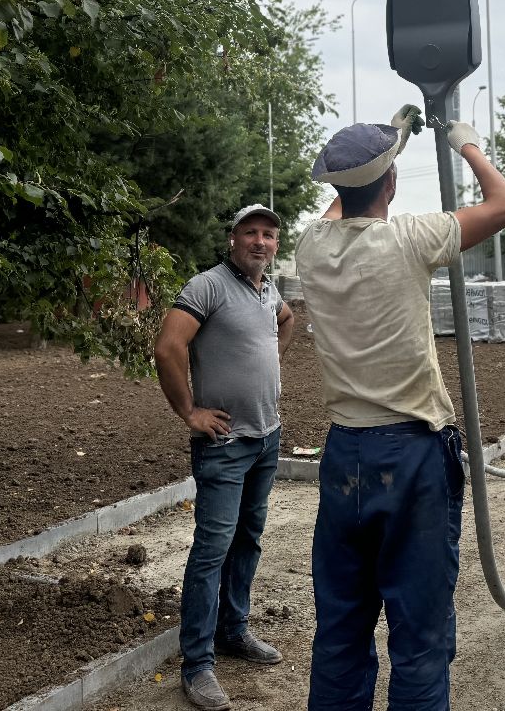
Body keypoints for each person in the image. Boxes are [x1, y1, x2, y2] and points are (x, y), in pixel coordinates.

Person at [295, 105, 505, 711]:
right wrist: (467, 146)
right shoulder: (409, 239)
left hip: (344, 454)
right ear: (392, 186)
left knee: (341, 628)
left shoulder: (311, 248)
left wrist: (386, 140)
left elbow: (336, 209)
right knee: (419, 640)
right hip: (412, 453)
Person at [154, 203, 296, 711]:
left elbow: (287, 320)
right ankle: (197, 666)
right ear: (232, 238)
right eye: (250, 232)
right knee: (211, 550)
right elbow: (168, 348)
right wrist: (189, 411)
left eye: (269, 235)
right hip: (225, 445)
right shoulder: (207, 286)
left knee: (247, 540)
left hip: (266, 438)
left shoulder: (266, 290)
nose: (260, 241)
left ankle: (233, 631)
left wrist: (271, 361)